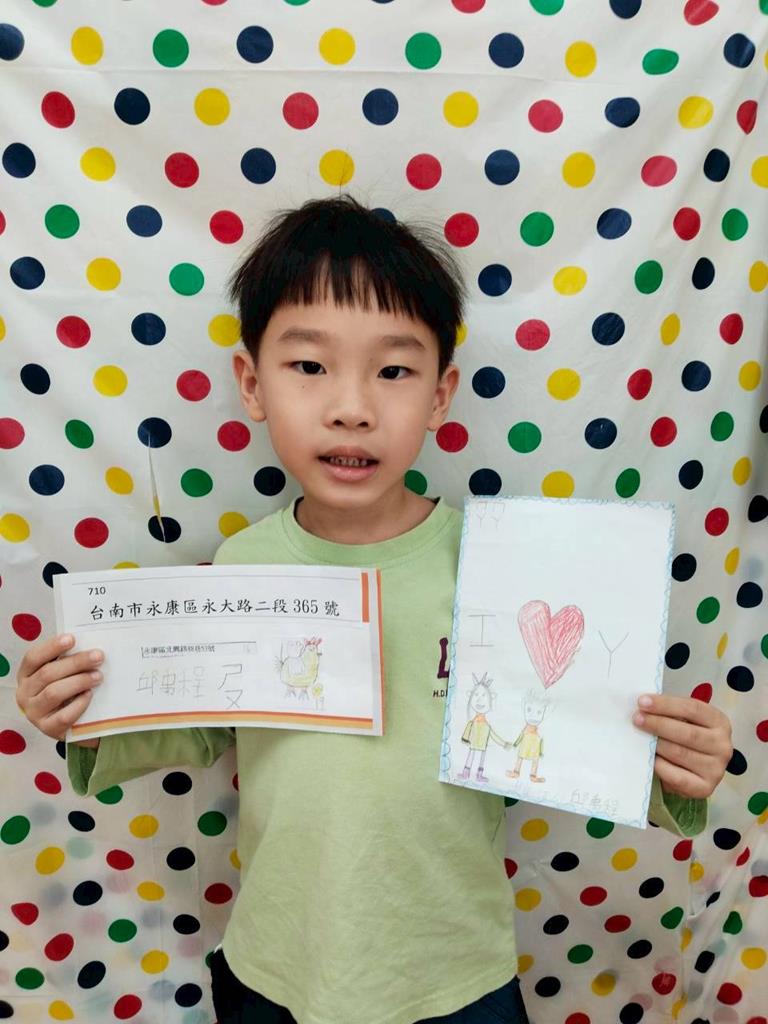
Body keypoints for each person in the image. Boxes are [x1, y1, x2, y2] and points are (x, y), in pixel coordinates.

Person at [16, 195, 733, 1024]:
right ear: (251, 383)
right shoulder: (243, 565)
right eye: (308, 365)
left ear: (440, 395)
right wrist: (83, 711)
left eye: (393, 371)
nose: (352, 406)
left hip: (455, 975)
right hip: (278, 965)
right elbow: (203, 723)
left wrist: (671, 764)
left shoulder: (501, 570)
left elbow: (574, 732)